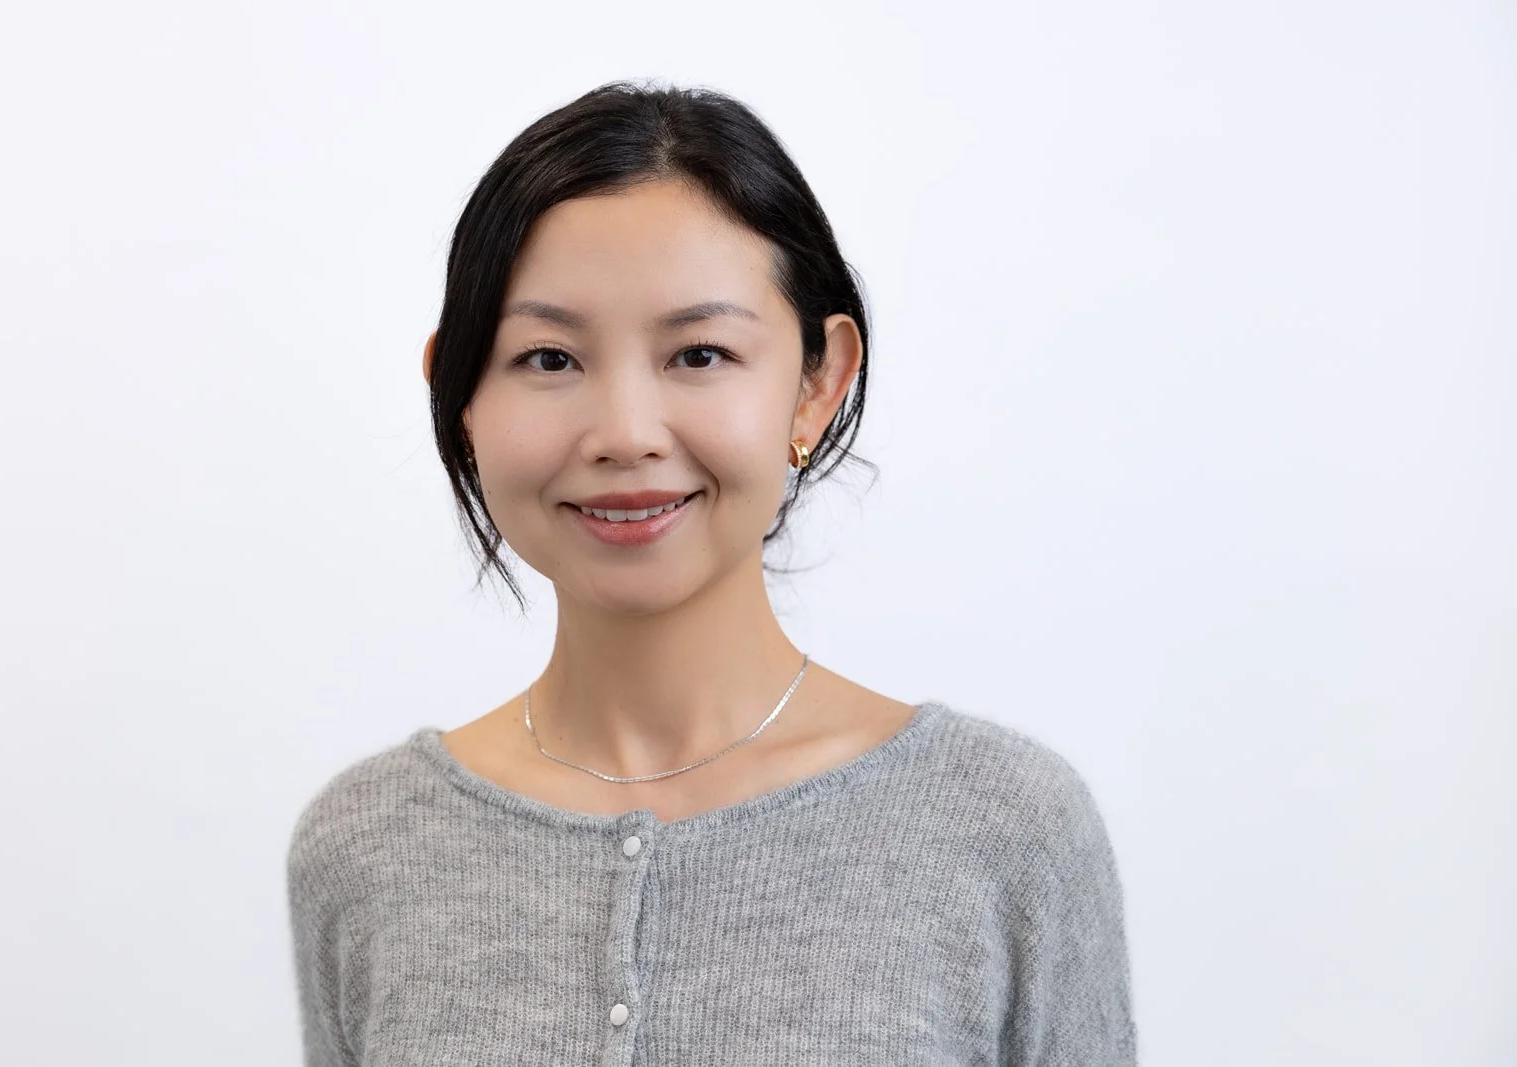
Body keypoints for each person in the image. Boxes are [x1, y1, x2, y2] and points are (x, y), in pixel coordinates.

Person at [286, 79, 1137, 1066]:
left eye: (699, 351)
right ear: (460, 395)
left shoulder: (1003, 830)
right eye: (549, 359)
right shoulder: (365, 846)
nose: (624, 434)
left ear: (818, 383)